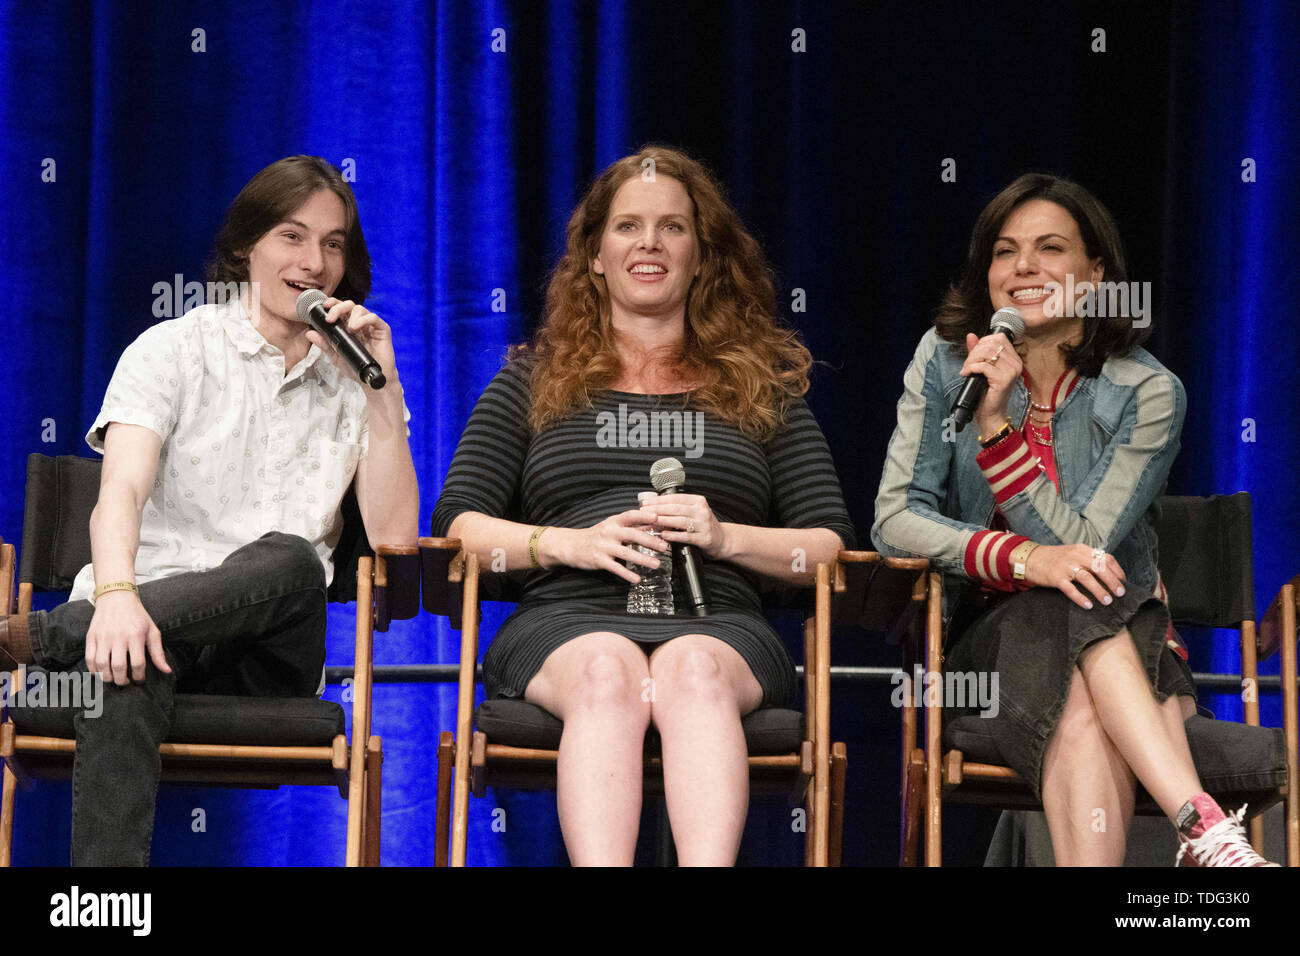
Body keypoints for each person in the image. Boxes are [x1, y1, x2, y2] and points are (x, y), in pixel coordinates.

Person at [431, 146, 855, 866]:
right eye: (628, 226)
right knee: (608, 670)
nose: (649, 243)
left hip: (719, 624)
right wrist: (567, 544)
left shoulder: (762, 391)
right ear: (596, 256)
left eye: (672, 227)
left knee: (694, 672)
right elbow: (459, 527)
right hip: (565, 621)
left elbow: (829, 546)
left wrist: (726, 537)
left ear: (702, 254)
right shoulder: (530, 381)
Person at [0, 155, 418, 865]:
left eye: (333, 243)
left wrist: (383, 390)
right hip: (135, 620)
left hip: (269, 655)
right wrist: (117, 596)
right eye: (292, 236)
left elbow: (395, 537)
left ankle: (42, 636)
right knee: (126, 665)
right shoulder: (172, 350)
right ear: (245, 245)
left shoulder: (356, 381)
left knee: (291, 558)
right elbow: (119, 492)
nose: (314, 262)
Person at [872, 172, 1274, 866]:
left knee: (1081, 674)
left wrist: (997, 434)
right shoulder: (945, 361)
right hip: (987, 647)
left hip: (1116, 635)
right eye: (1004, 251)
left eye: (1050, 248)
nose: (1023, 266)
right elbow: (894, 519)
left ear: (1096, 274)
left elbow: (1084, 545)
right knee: (1068, 604)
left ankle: (1200, 827)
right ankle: (1202, 823)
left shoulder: (1147, 390)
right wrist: (1024, 559)